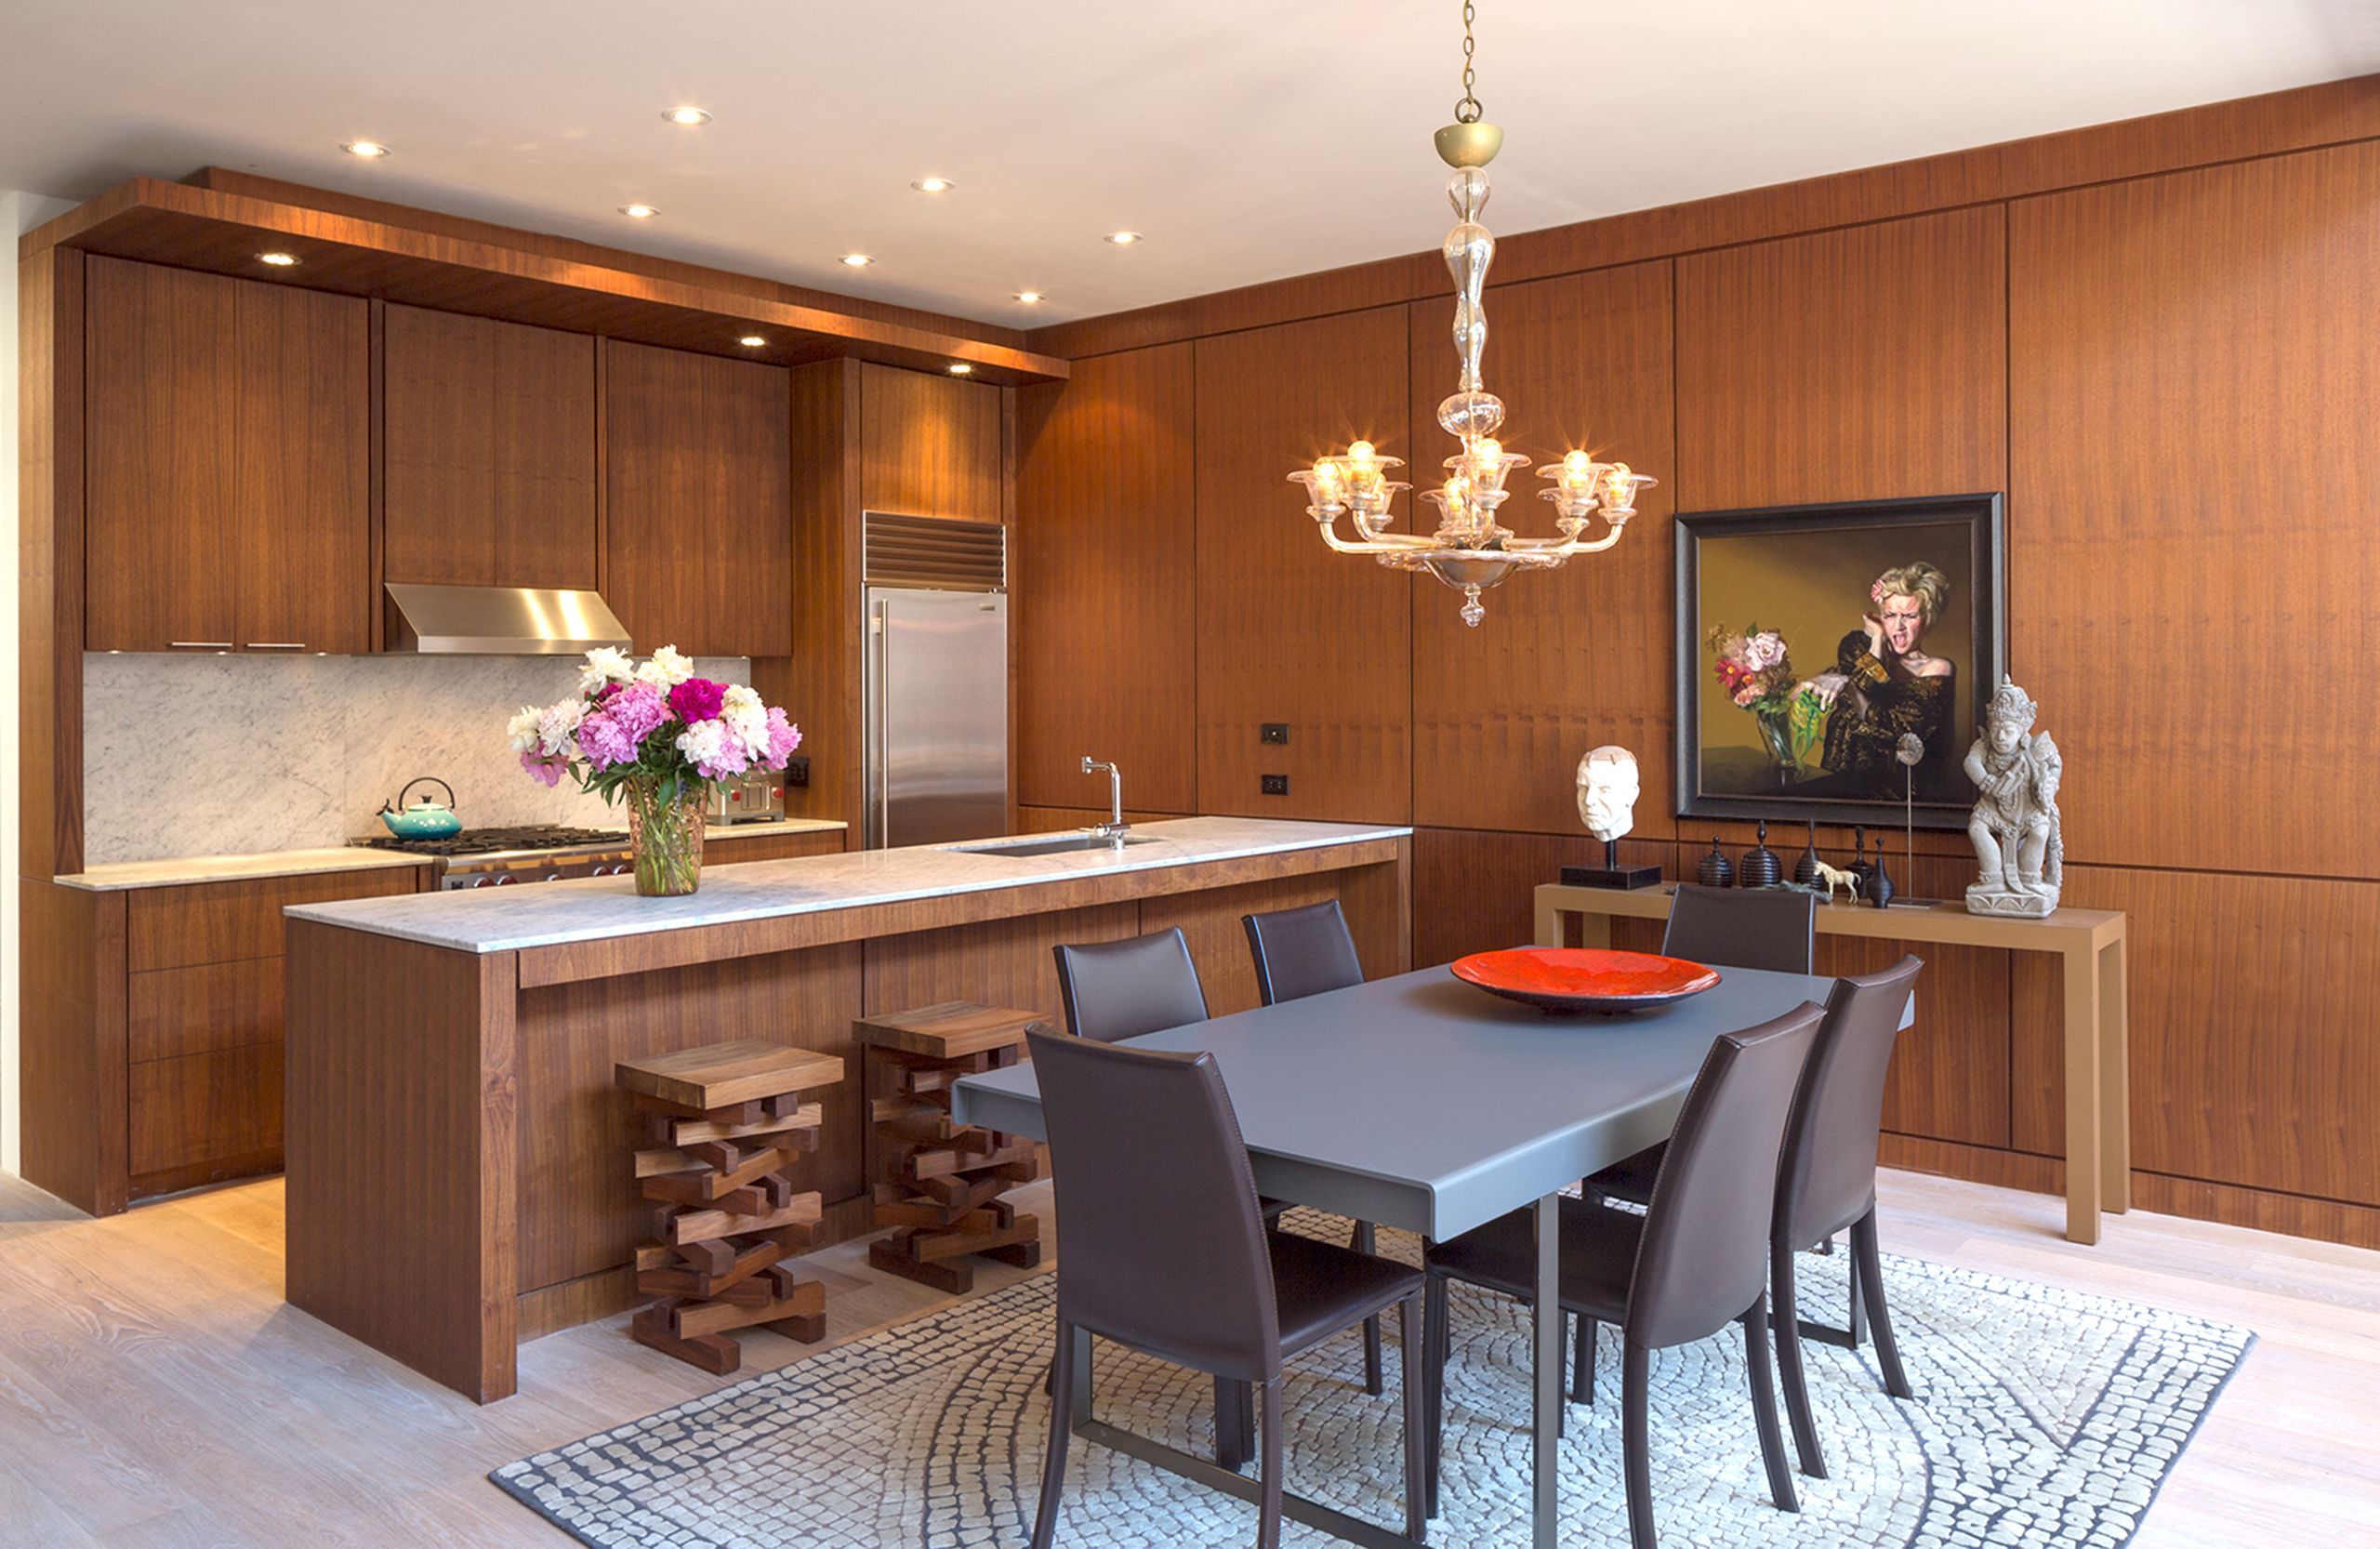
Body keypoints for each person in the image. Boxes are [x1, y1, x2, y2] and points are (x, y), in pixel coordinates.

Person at [1802, 562, 1955, 797]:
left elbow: (1901, 733)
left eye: (1910, 616)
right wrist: (1877, 641)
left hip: (1893, 792)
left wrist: (1851, 691)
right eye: (1890, 615)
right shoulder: (1855, 646)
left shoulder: (1937, 669)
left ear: (1928, 618)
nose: (1899, 626)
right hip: (1837, 774)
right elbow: (1861, 688)